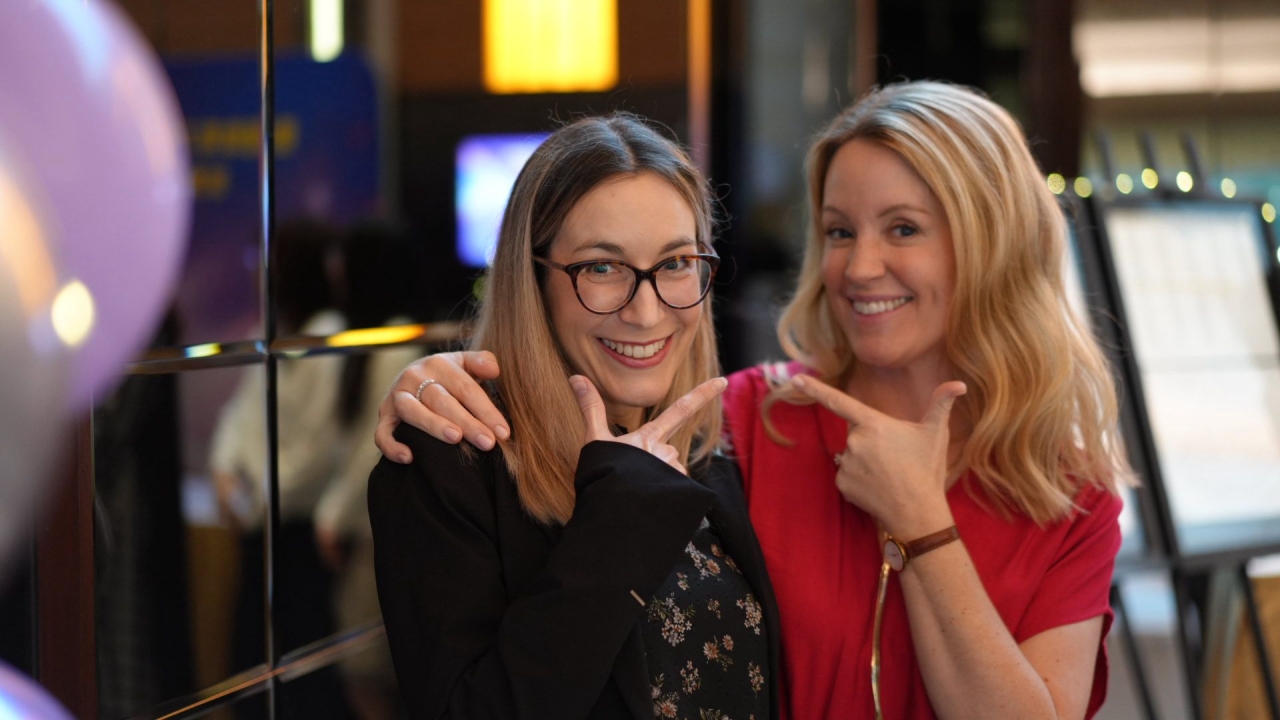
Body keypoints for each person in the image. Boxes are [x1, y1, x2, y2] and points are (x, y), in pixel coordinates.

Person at [375, 82, 1133, 720]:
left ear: (995, 244)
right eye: (838, 231)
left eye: (903, 228)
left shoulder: (1071, 496)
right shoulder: (748, 420)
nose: (859, 266)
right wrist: (435, 380)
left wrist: (924, 524)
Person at [367, 114, 780, 719]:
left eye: (674, 263)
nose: (646, 312)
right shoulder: (451, 464)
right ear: (533, 280)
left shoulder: (708, 448)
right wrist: (617, 524)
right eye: (602, 268)